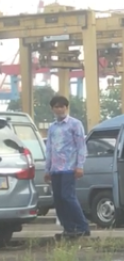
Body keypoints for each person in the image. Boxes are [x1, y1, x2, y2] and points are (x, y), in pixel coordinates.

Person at [44, 95, 89, 239]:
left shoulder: (75, 124)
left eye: (62, 106)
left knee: (67, 196)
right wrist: (47, 169)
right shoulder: (52, 128)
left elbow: (81, 146)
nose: (59, 109)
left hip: (69, 167)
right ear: (52, 109)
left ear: (66, 107)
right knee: (58, 199)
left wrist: (80, 166)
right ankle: (69, 228)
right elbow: (49, 149)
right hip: (56, 168)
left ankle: (82, 227)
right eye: (56, 107)